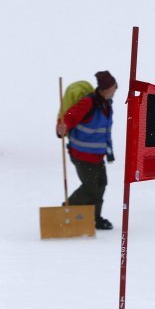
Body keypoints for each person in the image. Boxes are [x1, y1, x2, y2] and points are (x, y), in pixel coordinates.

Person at [56, 71, 117, 230]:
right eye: (114, 87)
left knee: (101, 184)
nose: (116, 89)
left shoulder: (105, 104)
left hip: (97, 156)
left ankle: (95, 217)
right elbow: (69, 117)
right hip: (81, 155)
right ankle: (65, 211)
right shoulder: (88, 102)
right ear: (105, 89)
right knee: (90, 187)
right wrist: (62, 127)